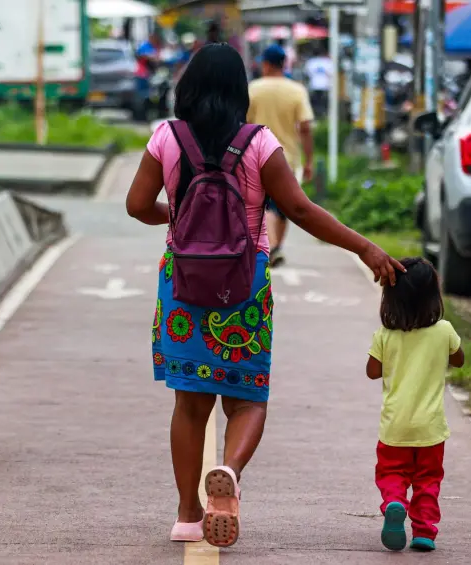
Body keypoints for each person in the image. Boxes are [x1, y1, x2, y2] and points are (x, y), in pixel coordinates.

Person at [126, 42, 404, 549]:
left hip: (182, 284)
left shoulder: (166, 137)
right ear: (240, 92)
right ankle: (229, 473)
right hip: (244, 286)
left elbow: (137, 204)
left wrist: (180, 218)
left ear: (187, 87)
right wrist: (364, 248)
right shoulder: (258, 144)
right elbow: (299, 210)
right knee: (248, 399)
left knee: (190, 404)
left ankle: (187, 514)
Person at [366, 257, 465, 552]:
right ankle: (424, 532)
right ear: (433, 296)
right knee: (428, 480)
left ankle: (394, 503)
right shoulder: (444, 331)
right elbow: (459, 360)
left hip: (395, 426)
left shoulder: (385, 335)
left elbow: (372, 371)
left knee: (391, 474)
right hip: (430, 428)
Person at [247, 43, 314, 268]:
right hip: (288, 158)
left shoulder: (253, 89)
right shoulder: (297, 90)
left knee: (267, 205)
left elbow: (243, 123)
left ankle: (273, 247)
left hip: (257, 154)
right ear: (284, 64)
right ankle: (275, 247)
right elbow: (305, 127)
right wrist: (309, 160)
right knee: (283, 207)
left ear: (266, 64)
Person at [304, 46, 333, 118]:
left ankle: (316, 114)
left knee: (315, 101)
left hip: (314, 84)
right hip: (325, 84)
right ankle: (323, 114)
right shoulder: (327, 61)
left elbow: (307, 73)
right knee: (324, 101)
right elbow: (331, 73)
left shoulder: (311, 61)